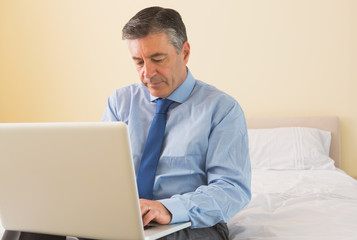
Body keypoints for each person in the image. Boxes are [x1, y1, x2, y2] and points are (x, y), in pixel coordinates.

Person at [2, 6, 251, 240]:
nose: (147, 73)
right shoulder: (120, 101)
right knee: (27, 225)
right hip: (120, 219)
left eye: (158, 59)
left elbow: (232, 189)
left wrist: (167, 208)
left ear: (184, 52)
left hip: (189, 223)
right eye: (139, 61)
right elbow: (99, 172)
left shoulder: (222, 109)